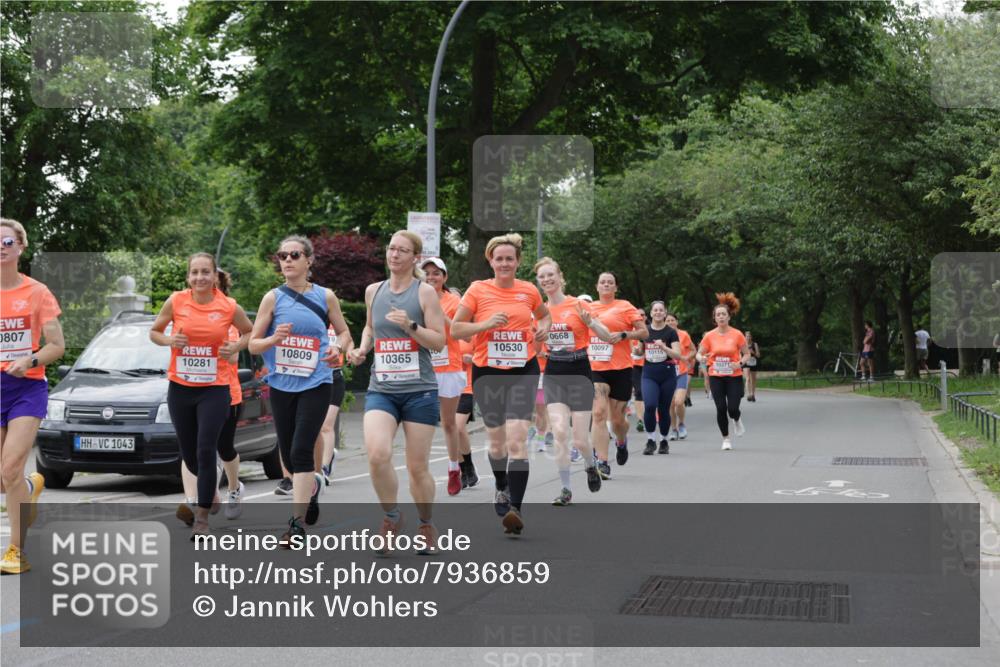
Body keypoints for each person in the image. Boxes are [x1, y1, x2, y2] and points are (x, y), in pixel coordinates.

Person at [348, 231, 446, 553]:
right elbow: (370, 327)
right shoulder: (373, 291)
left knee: (417, 467)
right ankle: (391, 517)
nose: (395, 255)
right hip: (383, 388)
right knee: (377, 455)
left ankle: (426, 523)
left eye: (403, 250)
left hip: (420, 390)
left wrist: (411, 326)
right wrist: (363, 349)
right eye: (391, 248)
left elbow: (439, 341)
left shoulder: (426, 293)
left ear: (415, 257)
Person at [250, 236, 350, 545]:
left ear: (309, 261)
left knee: (301, 450)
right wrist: (272, 340)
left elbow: (345, 333)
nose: (288, 260)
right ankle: (313, 486)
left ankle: (295, 525)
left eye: (295, 254)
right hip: (281, 384)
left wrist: (339, 349)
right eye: (282, 255)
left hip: (317, 381)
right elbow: (253, 343)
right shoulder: (272, 298)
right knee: (290, 459)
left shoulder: (325, 296)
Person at [451, 233, 550, 535]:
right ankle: (501, 484)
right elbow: (456, 329)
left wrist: (542, 331)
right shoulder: (477, 290)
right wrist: (485, 324)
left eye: (510, 258)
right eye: (499, 259)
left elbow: (545, 316)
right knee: (497, 442)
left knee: (517, 439)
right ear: (490, 261)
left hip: (523, 369)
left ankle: (516, 509)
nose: (504, 263)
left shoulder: (529, 290)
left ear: (518, 262)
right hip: (488, 371)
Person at [151, 253, 254, 539]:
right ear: (188, 277)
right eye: (195, 272)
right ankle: (211, 494)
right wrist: (170, 340)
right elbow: (155, 332)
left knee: (206, 449)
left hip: (215, 389)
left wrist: (234, 348)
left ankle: (202, 518)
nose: (200, 278)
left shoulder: (229, 306)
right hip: (181, 388)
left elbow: (249, 333)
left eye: (205, 272)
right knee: (190, 454)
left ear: (214, 276)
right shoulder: (176, 301)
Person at [0, 218, 65, 574]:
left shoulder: (37, 293)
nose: (1, 248)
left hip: (26, 388)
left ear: (20, 247)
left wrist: (31, 359)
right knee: (5, 478)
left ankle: (16, 551)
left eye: (7, 242)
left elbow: (58, 345)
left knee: (9, 466)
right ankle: (28, 486)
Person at [534, 257, 615, 505]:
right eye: (542, 277)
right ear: (538, 282)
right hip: (554, 372)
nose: (547, 280)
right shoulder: (539, 312)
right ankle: (566, 489)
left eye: (551, 275)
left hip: (579, 371)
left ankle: (591, 466)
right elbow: (535, 347)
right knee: (559, 432)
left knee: (580, 440)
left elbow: (607, 336)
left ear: (560, 277)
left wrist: (590, 322)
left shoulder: (578, 305)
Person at [175, 269, 247, 526]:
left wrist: (210, 345)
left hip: (226, 393)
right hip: (192, 391)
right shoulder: (185, 311)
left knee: (224, 448)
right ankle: (194, 499)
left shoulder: (227, 316)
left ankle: (235, 488)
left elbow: (235, 355)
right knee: (196, 447)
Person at [587, 272, 647, 478]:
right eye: (602, 282)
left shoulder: (625, 306)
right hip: (595, 368)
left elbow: (644, 332)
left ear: (615, 288)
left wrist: (624, 335)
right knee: (598, 414)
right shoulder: (588, 308)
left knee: (617, 420)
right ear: (597, 286)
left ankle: (621, 442)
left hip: (620, 368)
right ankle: (602, 461)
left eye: (610, 282)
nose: (606, 285)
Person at [420, 257, 468, 496]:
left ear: (444, 277)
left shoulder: (454, 300)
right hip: (423, 368)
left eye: (436, 273)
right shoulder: (417, 298)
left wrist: (441, 313)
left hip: (449, 366)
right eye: (426, 274)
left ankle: (453, 468)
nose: (431, 277)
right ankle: (421, 471)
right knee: (422, 423)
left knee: (449, 423)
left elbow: (459, 332)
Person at [696, 293, 750, 451]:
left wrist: (739, 363)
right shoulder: (709, 336)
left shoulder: (737, 334)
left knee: (733, 408)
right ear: (714, 318)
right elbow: (700, 353)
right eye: (718, 314)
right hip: (716, 376)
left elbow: (747, 354)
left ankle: (737, 418)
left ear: (728, 317)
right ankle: (726, 438)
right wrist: (701, 359)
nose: (721, 317)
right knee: (720, 408)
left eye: (723, 314)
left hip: (734, 376)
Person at [639, 302, 683, 455]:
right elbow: (639, 351)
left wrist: (664, 347)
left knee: (664, 409)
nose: (658, 312)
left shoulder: (671, 332)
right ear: (650, 313)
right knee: (650, 405)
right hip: (649, 374)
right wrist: (638, 350)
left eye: (661, 310)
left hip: (667, 374)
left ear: (665, 313)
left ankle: (664, 440)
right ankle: (651, 439)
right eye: (655, 310)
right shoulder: (645, 331)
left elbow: (678, 355)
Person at [316, 320, 348, 486]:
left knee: (326, 426)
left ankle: (324, 467)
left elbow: (348, 341)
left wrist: (349, 352)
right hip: (315, 380)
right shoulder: (310, 323)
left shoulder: (337, 327)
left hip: (335, 378)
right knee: (316, 425)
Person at [665, 313, 696, 442]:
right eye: (668, 320)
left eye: (673, 320)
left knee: (679, 401)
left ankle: (681, 424)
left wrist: (687, 358)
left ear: (677, 322)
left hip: (681, 372)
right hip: (666, 373)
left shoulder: (684, 335)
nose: (670, 322)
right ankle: (673, 429)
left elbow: (694, 350)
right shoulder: (661, 335)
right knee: (671, 403)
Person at [455, 339, 479, 488]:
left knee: (458, 427)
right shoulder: (442, 333)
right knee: (451, 431)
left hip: (467, 388)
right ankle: (463, 470)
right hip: (446, 388)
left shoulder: (473, 333)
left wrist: (473, 359)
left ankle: (468, 466)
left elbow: (486, 355)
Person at [630, 308, 646, 433]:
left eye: (642, 315)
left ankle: (652, 413)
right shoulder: (628, 331)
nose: (640, 317)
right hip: (634, 366)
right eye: (638, 315)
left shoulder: (649, 331)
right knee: (639, 392)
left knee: (650, 393)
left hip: (649, 365)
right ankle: (641, 419)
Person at [744, 330, 761, 402]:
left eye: (749, 336)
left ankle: (753, 394)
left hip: (753, 362)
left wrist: (753, 352)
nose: (748, 337)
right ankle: (749, 395)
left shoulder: (755, 344)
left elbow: (758, 355)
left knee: (753, 380)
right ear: (745, 337)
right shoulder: (743, 344)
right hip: (746, 362)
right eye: (746, 336)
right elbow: (739, 354)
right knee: (748, 378)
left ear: (751, 337)